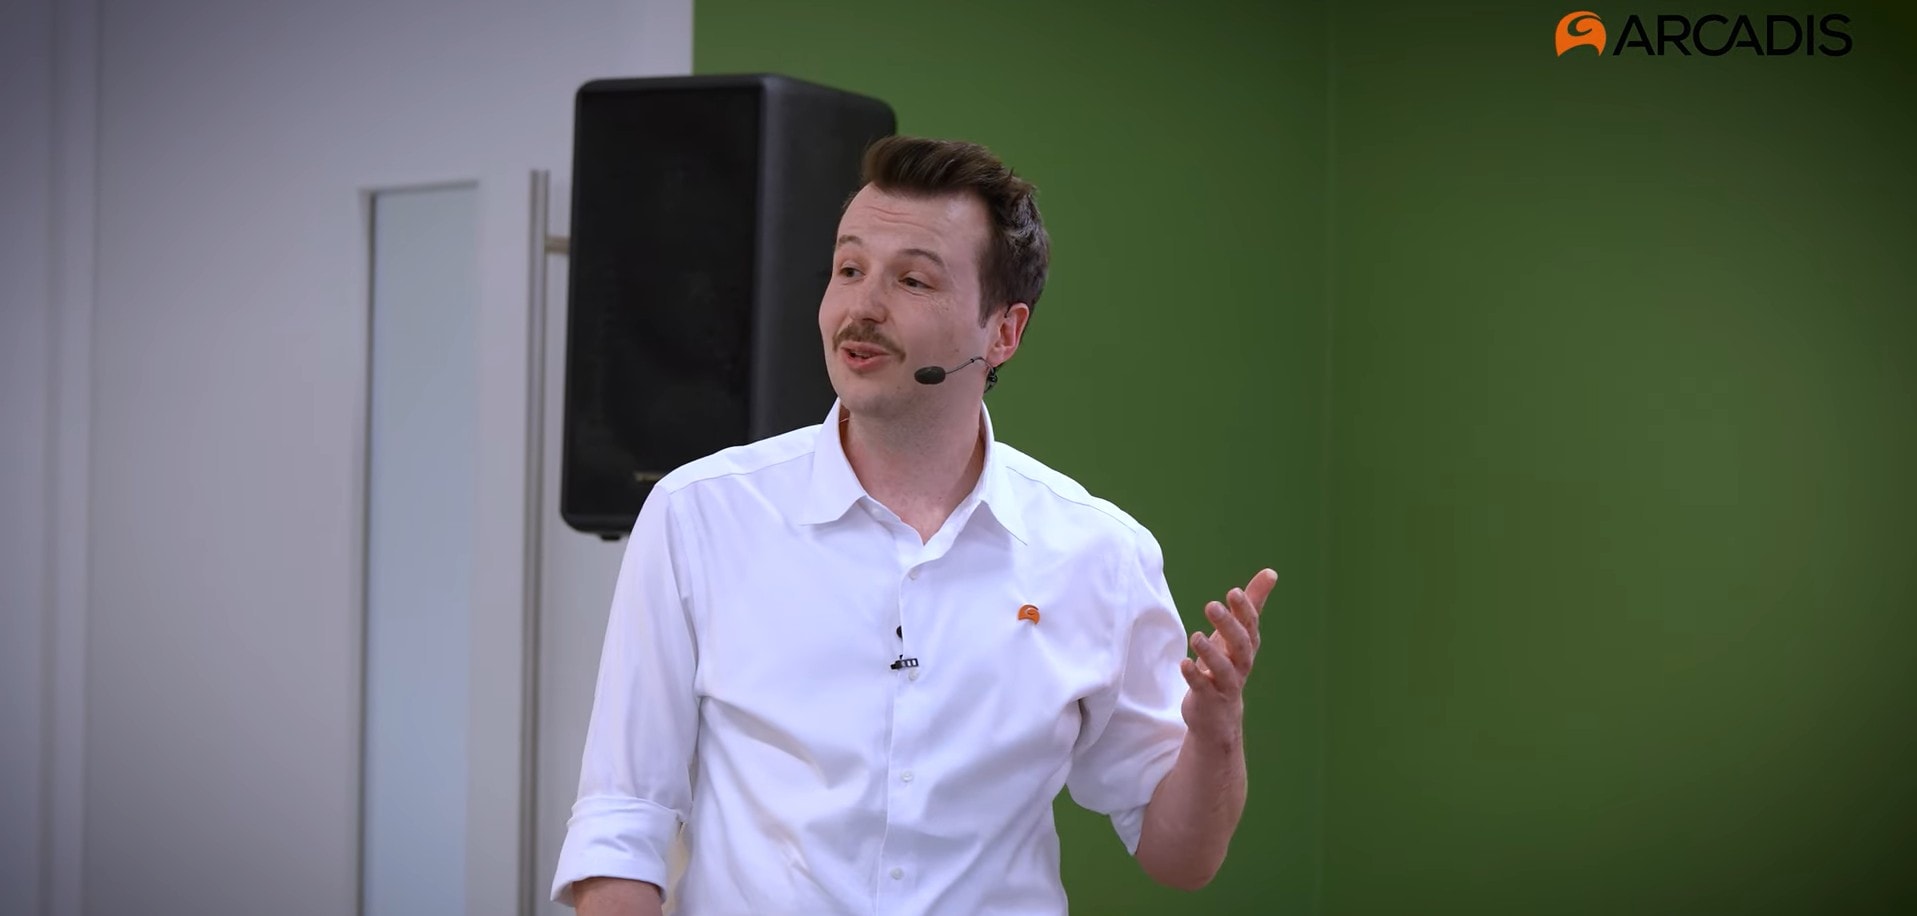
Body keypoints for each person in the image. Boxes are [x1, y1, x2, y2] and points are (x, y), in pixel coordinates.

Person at [550, 135, 1276, 916]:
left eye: (913, 280)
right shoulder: (700, 513)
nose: (861, 307)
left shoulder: (1099, 553)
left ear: (1002, 332)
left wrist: (1215, 733)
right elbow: (623, 820)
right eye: (849, 268)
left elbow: (1180, 859)